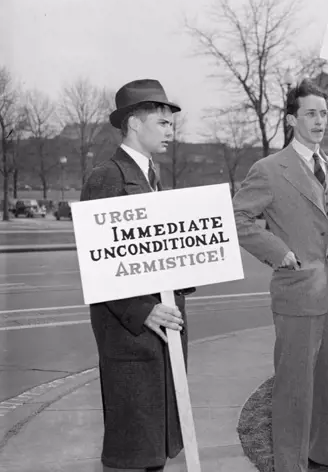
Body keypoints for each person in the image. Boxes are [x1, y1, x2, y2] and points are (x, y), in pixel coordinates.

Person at [232, 79, 328, 472]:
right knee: (294, 387)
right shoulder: (269, 170)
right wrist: (278, 252)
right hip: (297, 291)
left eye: (323, 113)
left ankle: (327, 454)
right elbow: (239, 218)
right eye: (310, 113)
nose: (319, 120)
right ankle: (290, 465)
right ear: (292, 119)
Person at [81, 79, 195, 472]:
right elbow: (98, 264)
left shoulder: (151, 176)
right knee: (136, 454)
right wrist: (142, 310)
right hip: (133, 337)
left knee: (153, 450)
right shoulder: (106, 177)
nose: (169, 130)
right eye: (162, 122)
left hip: (159, 336)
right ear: (134, 123)